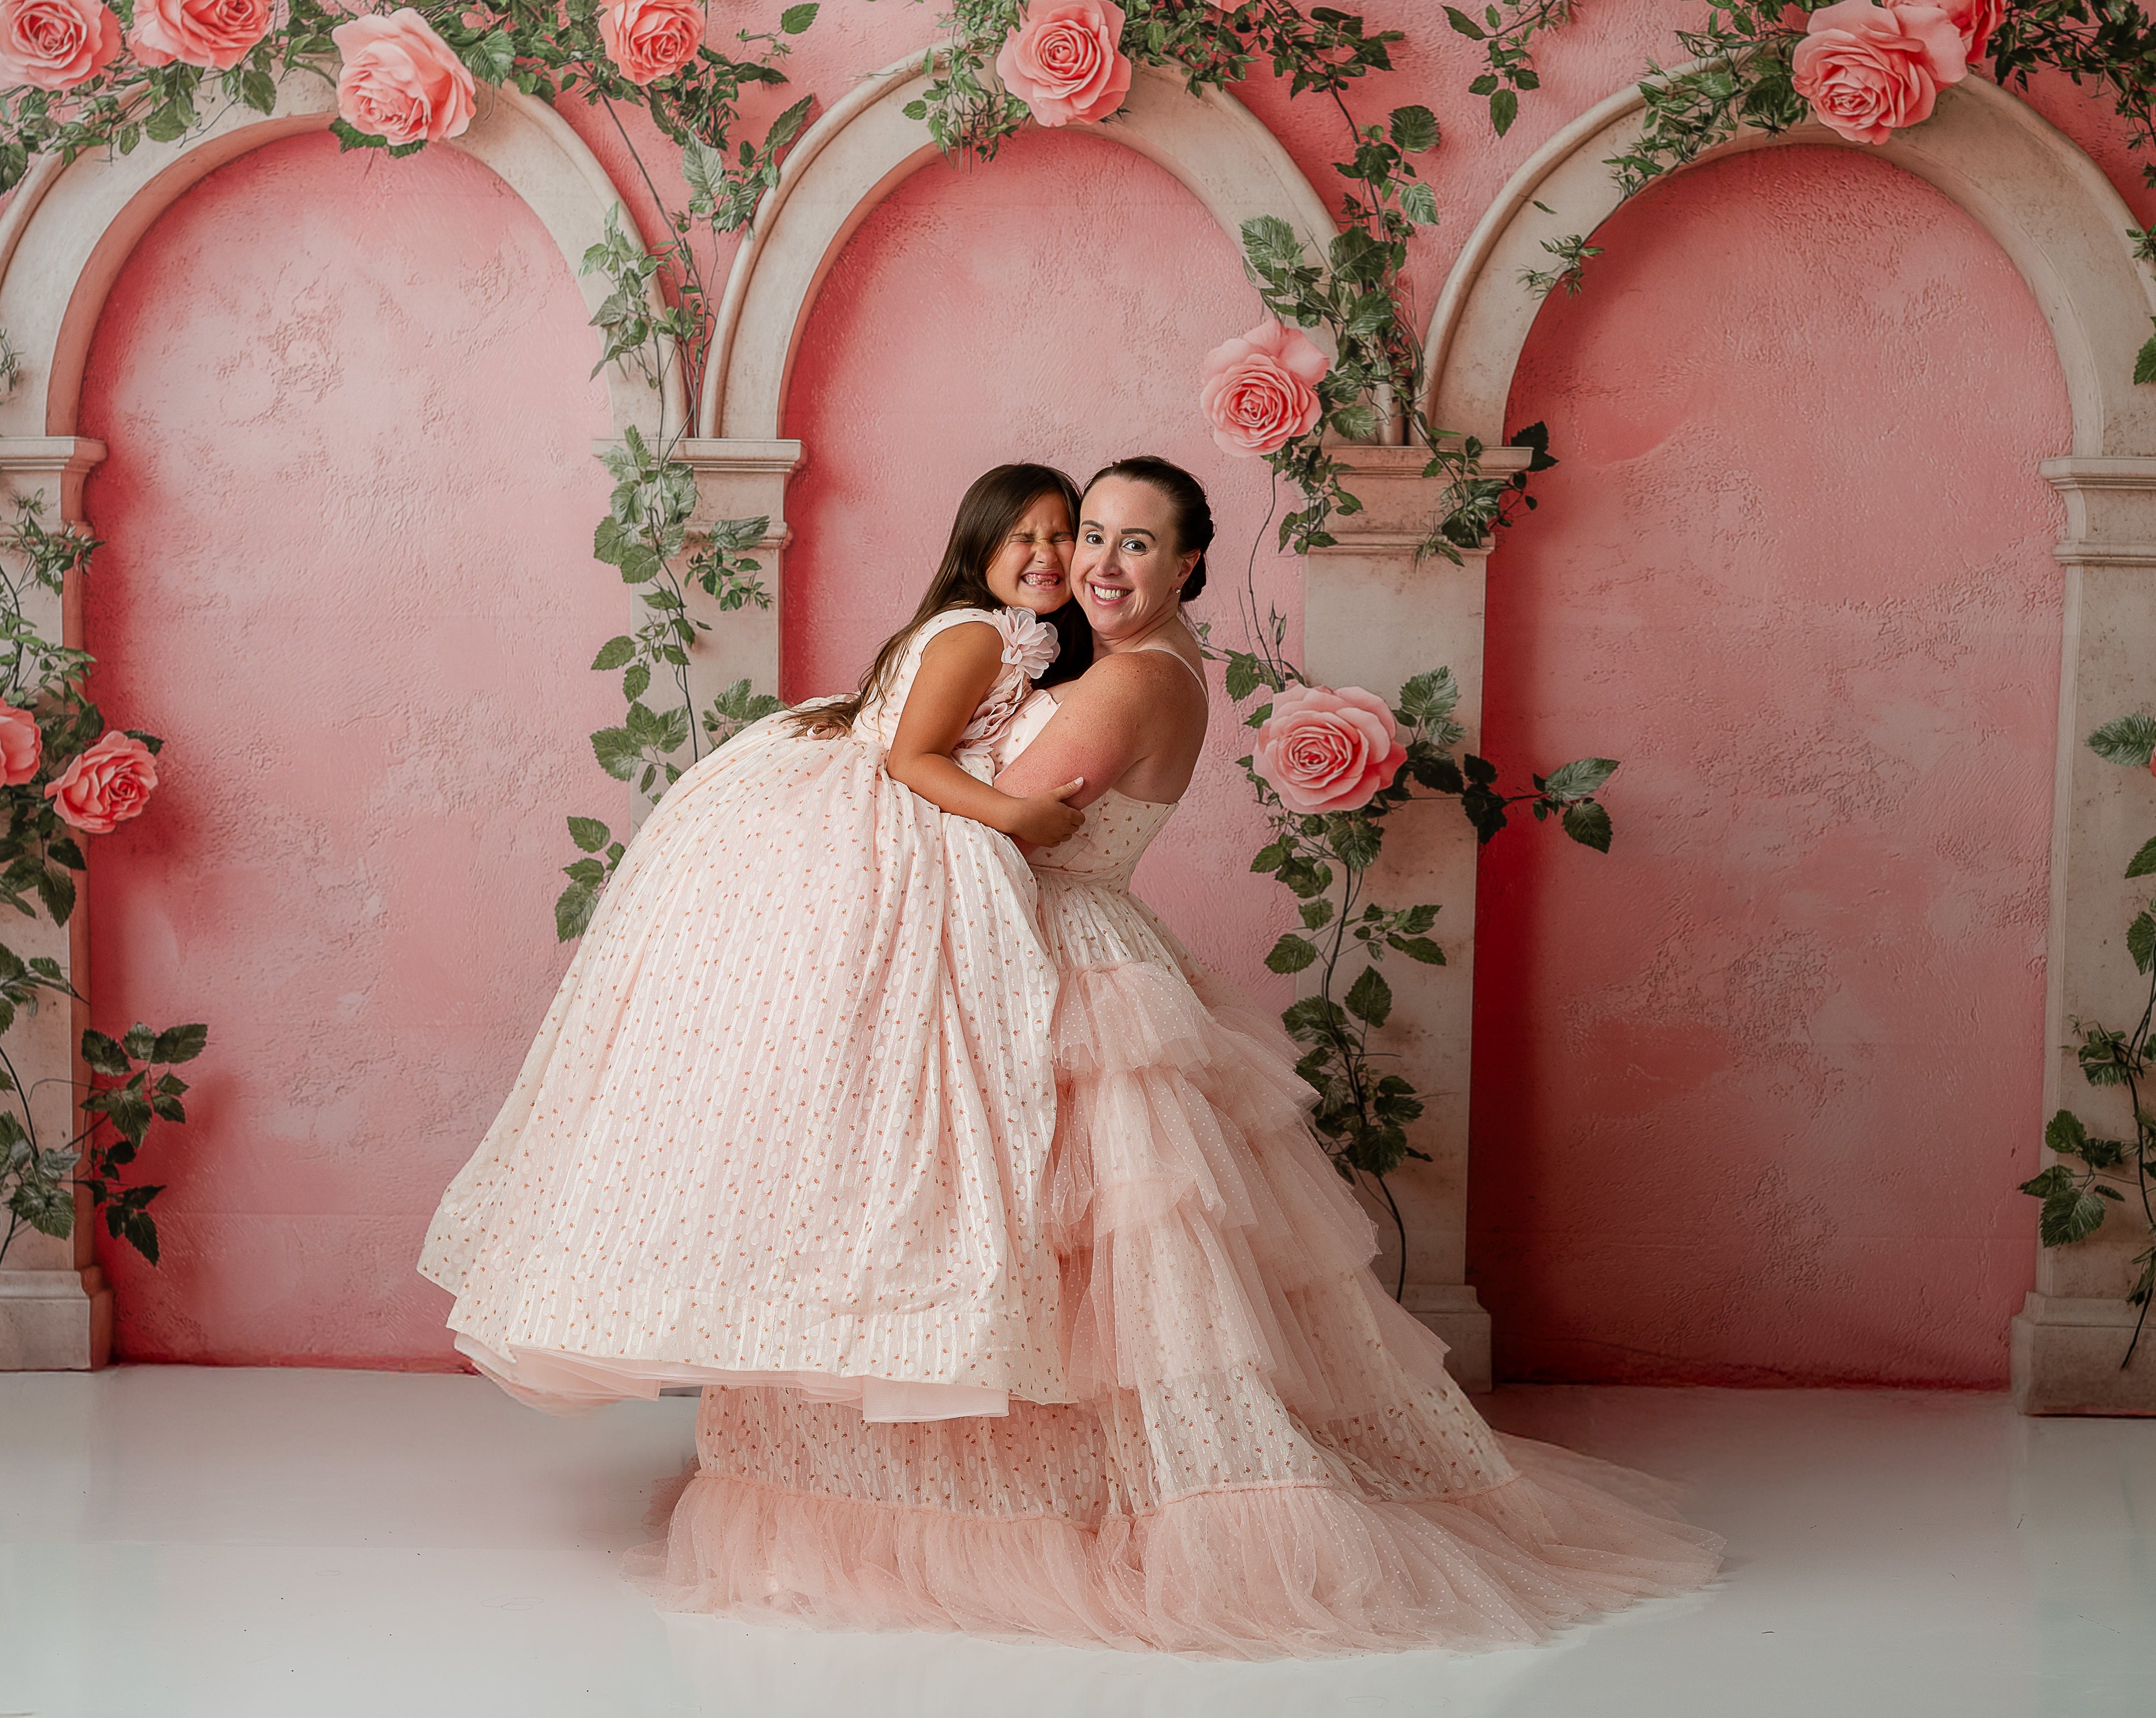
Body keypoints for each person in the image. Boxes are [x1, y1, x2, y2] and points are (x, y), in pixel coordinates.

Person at [643, 457, 1725, 1657]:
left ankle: (1085, 1506)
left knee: (1081, 1255)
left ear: (1191, 562)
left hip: (1060, 954)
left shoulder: (1127, 686)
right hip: (1037, 941)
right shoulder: (1100, 661)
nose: (1096, 564)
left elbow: (987, 812)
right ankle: (1012, 1474)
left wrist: (869, 774)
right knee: (1025, 1248)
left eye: (1135, 544)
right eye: (1088, 534)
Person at [419, 463, 1095, 1425]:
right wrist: (1019, 814)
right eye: (1022, 536)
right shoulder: (978, 633)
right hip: (874, 821)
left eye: (1064, 535)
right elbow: (912, 759)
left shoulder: (1004, 636)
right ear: (977, 546)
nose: (1045, 555)